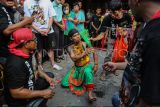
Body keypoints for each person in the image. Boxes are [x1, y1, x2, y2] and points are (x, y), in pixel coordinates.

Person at [104, 0, 160, 106]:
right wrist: (117, 65)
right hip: (127, 98)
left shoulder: (156, 35)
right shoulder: (147, 26)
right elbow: (140, 62)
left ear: (136, 1)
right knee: (115, 98)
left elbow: (151, 99)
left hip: (135, 102)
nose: (128, 5)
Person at [4, 28, 55, 107]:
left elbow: (36, 69)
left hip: (30, 84)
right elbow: (16, 93)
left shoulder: (28, 52)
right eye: (34, 39)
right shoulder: (15, 64)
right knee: (44, 97)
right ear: (26, 44)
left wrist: (47, 78)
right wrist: (42, 93)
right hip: (20, 100)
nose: (36, 41)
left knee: (50, 75)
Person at [0, 0, 33, 105]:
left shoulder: (13, 10)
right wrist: (25, 21)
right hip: (5, 53)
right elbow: (6, 30)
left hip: (16, 50)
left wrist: (25, 21)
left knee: (24, 77)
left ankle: (26, 97)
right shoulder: (0, 9)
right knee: (13, 84)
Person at [90, 0, 132, 81]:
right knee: (108, 55)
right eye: (111, 12)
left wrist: (124, 33)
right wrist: (94, 39)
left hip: (123, 39)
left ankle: (115, 68)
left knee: (119, 55)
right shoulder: (107, 18)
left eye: (115, 13)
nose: (113, 15)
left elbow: (130, 29)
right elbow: (102, 33)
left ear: (121, 10)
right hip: (112, 38)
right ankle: (104, 71)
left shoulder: (127, 16)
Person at [24, 0, 62, 70]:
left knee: (50, 49)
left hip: (49, 31)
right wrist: (38, 30)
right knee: (39, 50)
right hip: (36, 32)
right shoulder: (27, 2)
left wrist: (48, 28)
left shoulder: (48, 1)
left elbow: (51, 17)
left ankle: (53, 64)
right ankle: (39, 65)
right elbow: (27, 20)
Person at [61, 29, 98, 102]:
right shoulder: (70, 47)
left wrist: (96, 64)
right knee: (64, 83)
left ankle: (90, 94)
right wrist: (84, 53)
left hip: (86, 66)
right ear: (71, 38)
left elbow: (94, 52)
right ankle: (85, 80)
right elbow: (74, 59)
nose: (77, 36)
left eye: (78, 34)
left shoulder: (85, 43)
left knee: (87, 71)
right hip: (76, 68)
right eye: (75, 36)